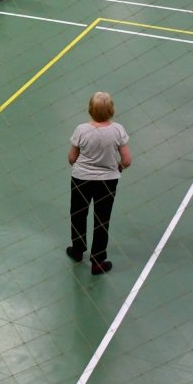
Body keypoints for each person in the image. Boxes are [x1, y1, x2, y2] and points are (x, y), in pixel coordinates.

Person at [66, 91, 131, 275]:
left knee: (78, 214)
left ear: (90, 110)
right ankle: (97, 261)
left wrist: (81, 165)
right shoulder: (118, 130)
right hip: (107, 182)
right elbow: (127, 160)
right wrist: (117, 168)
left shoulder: (81, 129)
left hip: (81, 180)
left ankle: (78, 250)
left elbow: (72, 157)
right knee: (102, 220)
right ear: (111, 110)